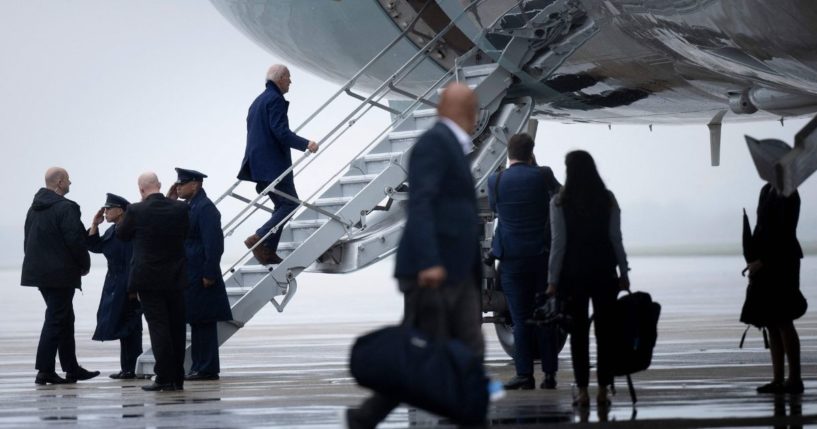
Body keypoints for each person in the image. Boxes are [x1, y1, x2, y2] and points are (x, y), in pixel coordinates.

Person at [345, 83, 485, 428]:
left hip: (456, 269)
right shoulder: (434, 145)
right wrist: (430, 261)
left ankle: (370, 416)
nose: (477, 115)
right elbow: (421, 205)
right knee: (426, 351)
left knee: (454, 348)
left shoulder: (451, 145)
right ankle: (465, 416)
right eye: (473, 109)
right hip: (435, 270)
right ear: (463, 112)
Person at [546, 150, 629, 407]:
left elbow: (558, 244)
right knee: (605, 334)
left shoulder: (559, 202)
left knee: (578, 334)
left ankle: (582, 392)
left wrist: (552, 280)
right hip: (605, 274)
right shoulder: (608, 199)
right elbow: (616, 238)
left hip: (573, 277)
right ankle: (603, 390)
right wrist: (624, 273)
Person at [487, 133, 561, 390]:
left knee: (520, 319)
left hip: (511, 260)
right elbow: (560, 196)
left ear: (508, 154)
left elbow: (497, 209)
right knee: (545, 317)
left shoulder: (495, 181)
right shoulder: (543, 174)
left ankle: (524, 375)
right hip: (541, 258)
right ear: (532, 153)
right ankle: (549, 375)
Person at [22, 167, 99, 385]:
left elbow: (28, 240)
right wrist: (84, 265)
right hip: (61, 274)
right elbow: (75, 241)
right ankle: (45, 370)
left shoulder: (34, 208)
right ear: (59, 182)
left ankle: (71, 368)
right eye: (68, 180)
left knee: (64, 317)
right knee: (56, 318)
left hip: (40, 273)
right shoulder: (67, 208)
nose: (70, 184)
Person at [238, 64, 319, 265]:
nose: (290, 81)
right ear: (281, 78)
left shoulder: (257, 101)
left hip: (258, 166)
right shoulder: (275, 100)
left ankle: (268, 250)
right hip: (273, 165)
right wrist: (306, 144)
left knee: (282, 205)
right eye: (289, 77)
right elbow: (280, 132)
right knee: (291, 203)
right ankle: (259, 237)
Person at [117, 172, 189, 392]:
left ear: (141, 190)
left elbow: (121, 234)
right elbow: (186, 232)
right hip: (175, 276)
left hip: (148, 279)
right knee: (177, 327)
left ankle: (164, 377)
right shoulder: (180, 208)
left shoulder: (136, 210)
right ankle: (177, 378)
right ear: (160, 185)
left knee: (159, 328)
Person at [167, 168, 233, 381]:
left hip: (202, 274)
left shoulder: (205, 208)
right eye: (177, 184)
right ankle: (199, 366)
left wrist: (210, 272)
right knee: (196, 320)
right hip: (190, 273)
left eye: (182, 183)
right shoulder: (189, 207)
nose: (178, 187)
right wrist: (170, 200)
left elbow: (214, 244)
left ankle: (206, 368)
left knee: (204, 322)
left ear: (195, 184)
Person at [745, 182, 805, 394]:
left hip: (782, 261)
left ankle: (794, 379)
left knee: (783, 319)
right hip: (763, 260)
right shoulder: (765, 189)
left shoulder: (788, 191)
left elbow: (784, 231)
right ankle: (778, 379)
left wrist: (764, 260)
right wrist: (753, 257)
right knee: (771, 320)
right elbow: (761, 226)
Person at [87, 193, 143, 379]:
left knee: (131, 327)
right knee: (121, 325)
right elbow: (96, 247)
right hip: (114, 282)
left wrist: (133, 288)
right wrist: (95, 225)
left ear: (120, 211)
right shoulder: (113, 230)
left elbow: (132, 260)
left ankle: (132, 368)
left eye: (109, 209)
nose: (106, 212)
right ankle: (126, 368)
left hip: (128, 283)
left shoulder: (129, 230)